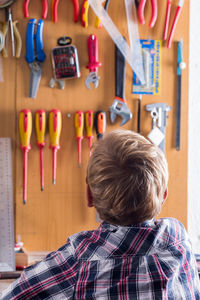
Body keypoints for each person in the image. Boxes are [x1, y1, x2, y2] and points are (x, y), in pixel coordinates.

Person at [1, 129, 200, 299]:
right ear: (164, 195)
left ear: (89, 195)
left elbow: (13, 296)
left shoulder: (78, 258)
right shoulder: (177, 239)